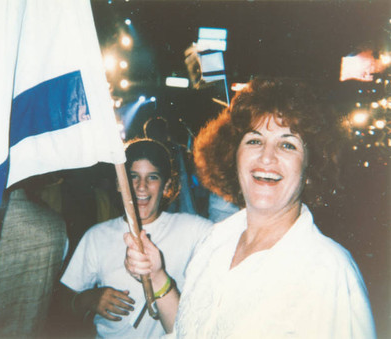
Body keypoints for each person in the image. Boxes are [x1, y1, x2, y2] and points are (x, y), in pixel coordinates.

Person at [125, 78, 376, 338]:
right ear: (232, 156)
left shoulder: (328, 270)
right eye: (254, 141)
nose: (267, 157)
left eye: (287, 144)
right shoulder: (214, 242)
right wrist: (157, 277)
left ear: (309, 170)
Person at [58, 138, 213, 338]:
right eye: (133, 177)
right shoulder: (97, 236)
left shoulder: (194, 230)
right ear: (119, 184)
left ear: (166, 186)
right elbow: (63, 300)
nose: (141, 187)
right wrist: (89, 299)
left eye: (152, 177)